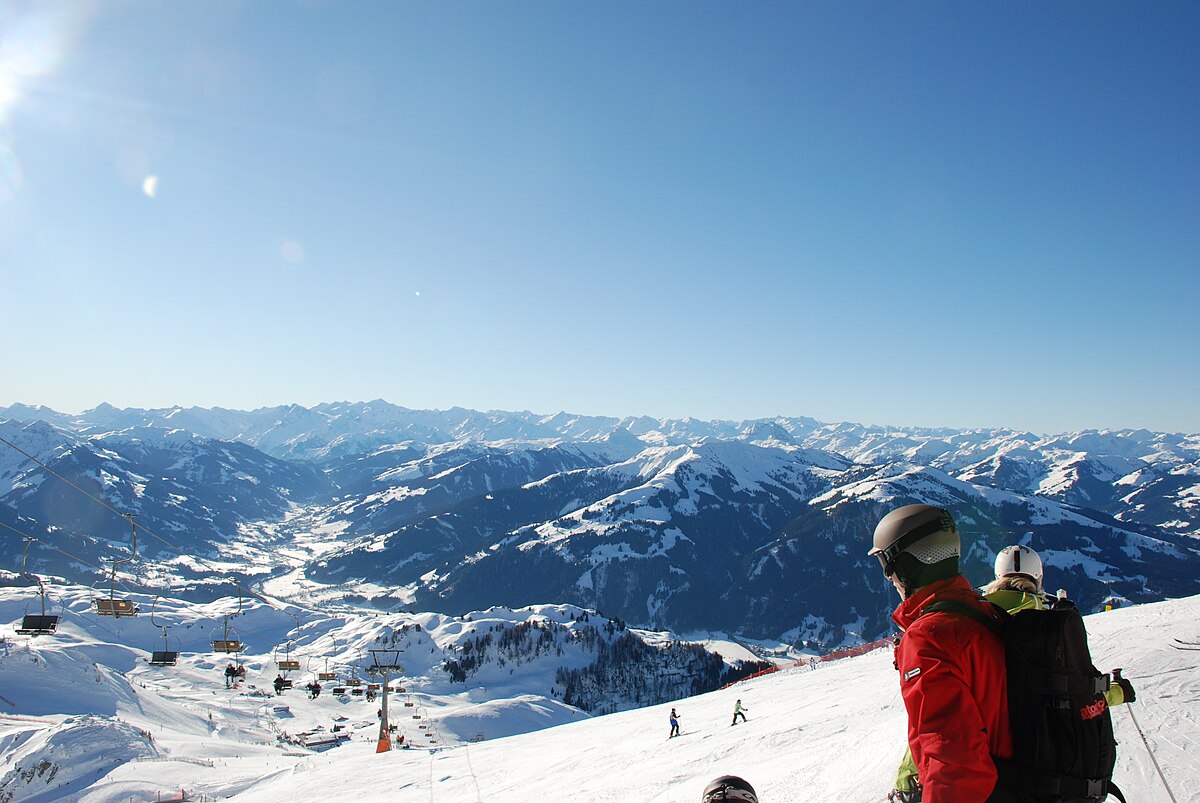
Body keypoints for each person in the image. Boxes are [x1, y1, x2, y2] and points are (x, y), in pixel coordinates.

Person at [869, 504, 1011, 803]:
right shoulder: (982, 611)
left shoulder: (929, 638)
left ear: (905, 566)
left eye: (888, 569)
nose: (890, 580)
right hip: (1016, 781)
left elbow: (955, 762)